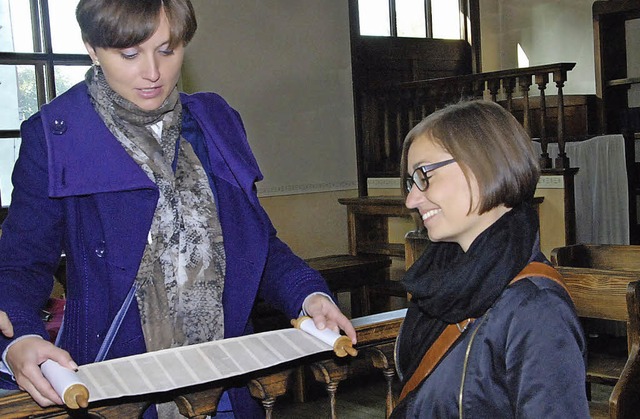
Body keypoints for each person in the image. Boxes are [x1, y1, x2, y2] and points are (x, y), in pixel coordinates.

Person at [0, 0, 356, 417]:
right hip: (115, 380)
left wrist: (306, 293)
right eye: (129, 54)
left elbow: (256, 242)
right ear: (92, 48)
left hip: (225, 371)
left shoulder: (213, 123)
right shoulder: (56, 135)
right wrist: (20, 337)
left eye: (167, 50)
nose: (152, 72)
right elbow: (21, 264)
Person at [391, 99, 589, 417]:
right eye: (411, 182)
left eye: (424, 174)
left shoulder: (534, 308)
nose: (412, 199)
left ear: (483, 165)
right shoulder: (441, 281)